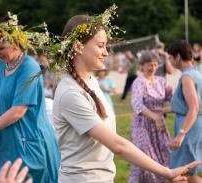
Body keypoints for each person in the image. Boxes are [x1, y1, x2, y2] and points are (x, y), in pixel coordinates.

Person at [50, 5, 200, 183]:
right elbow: (118, 145)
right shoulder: (70, 93)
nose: (106, 52)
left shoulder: (90, 80)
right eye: (100, 46)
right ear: (78, 46)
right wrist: (166, 172)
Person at [0, 13, 60, 182]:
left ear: (16, 43)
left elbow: (18, 111)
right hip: (4, 139)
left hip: (28, 142)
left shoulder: (29, 68)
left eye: (1, 48)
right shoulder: (1, 64)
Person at [159, 40, 202, 183]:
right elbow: (187, 104)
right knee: (190, 174)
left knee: (179, 174)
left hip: (189, 129)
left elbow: (194, 108)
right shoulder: (196, 73)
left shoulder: (187, 77)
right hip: (194, 126)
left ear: (177, 57)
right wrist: (164, 109)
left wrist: (181, 135)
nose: (170, 61)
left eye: (171, 58)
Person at [129, 51, 172, 183]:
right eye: (149, 65)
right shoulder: (139, 82)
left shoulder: (162, 82)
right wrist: (156, 117)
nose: (152, 68)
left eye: (155, 65)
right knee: (144, 159)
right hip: (143, 126)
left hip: (159, 128)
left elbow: (175, 102)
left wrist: (166, 110)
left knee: (163, 156)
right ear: (141, 66)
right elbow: (137, 105)